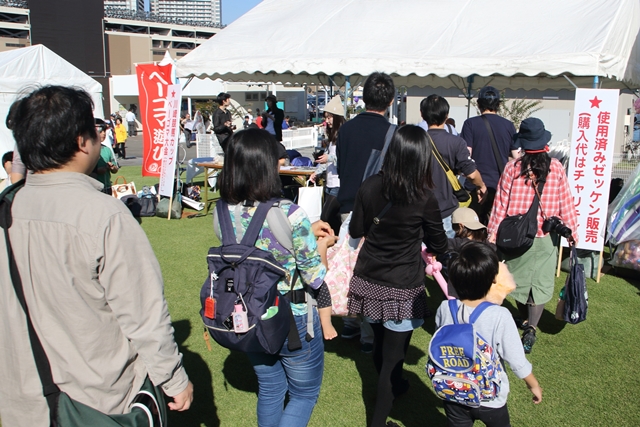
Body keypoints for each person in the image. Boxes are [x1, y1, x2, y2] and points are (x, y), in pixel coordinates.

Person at [0, 85, 193, 426]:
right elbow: (143, 313)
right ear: (82, 141)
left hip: (22, 398)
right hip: (96, 400)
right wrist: (173, 378)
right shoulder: (103, 215)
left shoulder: (8, 207)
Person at [217, 128, 336, 426]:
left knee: (270, 388)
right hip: (291, 316)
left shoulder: (222, 212)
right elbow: (315, 277)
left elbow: (256, 236)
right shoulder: (291, 213)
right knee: (304, 394)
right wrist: (322, 246)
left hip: (247, 314)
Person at [347, 125, 448, 427]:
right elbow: (439, 244)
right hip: (402, 286)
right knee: (392, 358)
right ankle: (379, 419)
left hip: (369, 279)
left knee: (381, 346)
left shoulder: (369, 185)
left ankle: (396, 386)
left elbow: (356, 229)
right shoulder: (424, 197)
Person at [487, 117, 578, 353]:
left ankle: (525, 319)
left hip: (517, 237)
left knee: (518, 282)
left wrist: (492, 235)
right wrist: (572, 230)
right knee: (540, 283)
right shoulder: (556, 167)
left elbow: (500, 205)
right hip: (546, 236)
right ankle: (532, 327)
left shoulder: (512, 168)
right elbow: (566, 202)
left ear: (524, 143)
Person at [435, 242, 542, 426]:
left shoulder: (445, 308)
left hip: (453, 391)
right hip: (490, 397)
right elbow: (516, 360)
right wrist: (533, 385)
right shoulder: (499, 315)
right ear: (493, 280)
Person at [336, 71, 396, 352]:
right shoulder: (393, 133)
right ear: (391, 100)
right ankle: (368, 333)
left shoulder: (346, 130)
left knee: (347, 266)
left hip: (348, 207)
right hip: (378, 212)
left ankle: (350, 322)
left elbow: (341, 167)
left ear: (364, 98)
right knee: (370, 272)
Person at [421, 95, 487, 238]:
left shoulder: (415, 142)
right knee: (445, 249)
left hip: (418, 210)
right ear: (447, 115)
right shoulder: (456, 142)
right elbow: (471, 174)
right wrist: (481, 185)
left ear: (422, 114)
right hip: (445, 210)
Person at [460, 86, 519, 225]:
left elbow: (466, 155)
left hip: (475, 186)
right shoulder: (509, 126)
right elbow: (517, 157)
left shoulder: (470, 124)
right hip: (500, 186)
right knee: (495, 227)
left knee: (472, 227)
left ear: (478, 104)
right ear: (498, 105)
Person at [310, 95, 346, 235]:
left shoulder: (344, 135)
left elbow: (344, 157)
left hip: (338, 184)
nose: (327, 121)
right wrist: (317, 172)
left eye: (330, 117)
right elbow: (327, 159)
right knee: (333, 221)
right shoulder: (332, 137)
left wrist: (329, 158)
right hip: (330, 183)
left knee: (325, 218)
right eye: (326, 117)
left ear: (337, 117)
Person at [91, 118, 119, 195]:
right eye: (101, 131)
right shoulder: (88, 151)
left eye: (104, 131)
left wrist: (112, 167)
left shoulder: (107, 149)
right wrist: (97, 171)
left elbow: (115, 169)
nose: (104, 133)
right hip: (94, 189)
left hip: (107, 187)